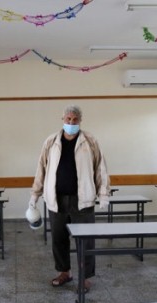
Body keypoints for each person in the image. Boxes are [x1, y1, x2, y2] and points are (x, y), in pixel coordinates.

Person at [29, 105, 110, 292]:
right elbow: (41, 168)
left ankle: (85, 277)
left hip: (82, 200)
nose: (71, 123)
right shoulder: (51, 141)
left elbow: (101, 168)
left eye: (75, 120)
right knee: (59, 238)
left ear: (80, 121)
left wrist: (103, 194)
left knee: (85, 240)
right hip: (56, 200)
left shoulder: (89, 141)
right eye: (68, 119)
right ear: (62, 119)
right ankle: (65, 272)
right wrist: (35, 194)